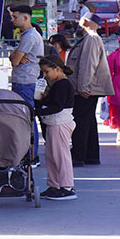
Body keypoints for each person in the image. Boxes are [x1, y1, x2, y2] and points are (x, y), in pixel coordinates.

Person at [66, 7, 115, 166]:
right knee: (88, 121)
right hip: (87, 87)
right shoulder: (89, 38)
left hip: (86, 89)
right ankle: (90, 155)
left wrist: (83, 87)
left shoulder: (91, 38)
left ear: (84, 21)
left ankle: (79, 155)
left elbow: (88, 64)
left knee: (80, 121)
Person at [35, 55, 77, 200]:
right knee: (52, 156)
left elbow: (56, 106)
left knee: (60, 156)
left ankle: (66, 186)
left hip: (60, 124)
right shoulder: (59, 84)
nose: (45, 75)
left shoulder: (62, 85)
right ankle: (55, 184)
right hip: (55, 124)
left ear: (57, 69)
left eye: (47, 72)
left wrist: (38, 111)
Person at [8, 5, 44, 156]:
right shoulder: (27, 35)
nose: (12, 20)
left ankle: (31, 154)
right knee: (24, 116)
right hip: (23, 80)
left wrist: (17, 56)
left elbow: (15, 60)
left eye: (15, 17)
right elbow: (14, 58)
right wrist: (16, 55)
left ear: (26, 18)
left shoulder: (30, 36)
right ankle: (29, 153)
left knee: (26, 117)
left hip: (25, 81)